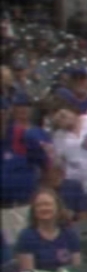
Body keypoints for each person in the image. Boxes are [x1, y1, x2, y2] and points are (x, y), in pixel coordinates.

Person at [2, 96, 53, 245]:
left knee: (25, 249)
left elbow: (46, 165)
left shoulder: (22, 136)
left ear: (6, 114)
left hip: (22, 206)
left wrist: (42, 194)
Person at [14, 189, 81, 272]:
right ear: (34, 210)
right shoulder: (26, 237)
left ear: (57, 207)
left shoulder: (70, 235)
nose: (44, 208)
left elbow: (77, 270)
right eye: (39, 205)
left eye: (48, 204)